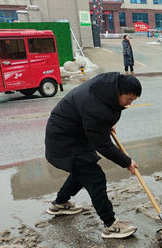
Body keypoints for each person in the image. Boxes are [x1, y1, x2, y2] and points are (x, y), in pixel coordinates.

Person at [45, 72, 142, 239]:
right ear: (118, 91)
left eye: (132, 101)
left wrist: (105, 125)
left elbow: (95, 116)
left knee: (81, 171)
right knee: (94, 176)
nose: (129, 103)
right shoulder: (96, 108)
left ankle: (59, 204)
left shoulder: (105, 87)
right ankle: (110, 225)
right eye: (128, 99)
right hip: (64, 141)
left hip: (70, 133)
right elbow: (102, 145)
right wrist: (126, 162)